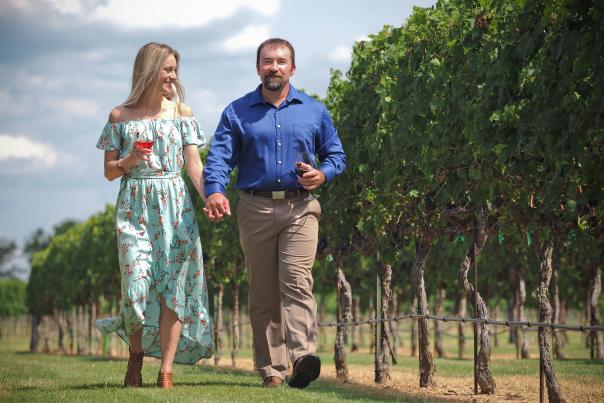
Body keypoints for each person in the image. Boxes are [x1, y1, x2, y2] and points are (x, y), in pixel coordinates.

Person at [203, 38, 346, 388]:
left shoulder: (314, 110)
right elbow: (219, 158)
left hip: (301, 206)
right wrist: (215, 190)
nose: (274, 67)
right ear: (258, 68)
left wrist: (322, 174)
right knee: (264, 291)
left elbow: (336, 155)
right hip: (255, 206)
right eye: (268, 61)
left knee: (297, 280)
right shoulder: (237, 112)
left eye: (281, 61)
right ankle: (272, 370)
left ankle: (303, 357)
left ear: (292, 68)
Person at [95, 42, 213, 389]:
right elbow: (109, 172)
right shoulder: (119, 116)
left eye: (175, 70)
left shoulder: (182, 114)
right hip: (135, 207)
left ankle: (166, 370)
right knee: (135, 287)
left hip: (176, 207)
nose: (173, 77)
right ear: (149, 70)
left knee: (173, 289)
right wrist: (127, 162)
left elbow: (194, 165)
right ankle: (135, 357)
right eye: (167, 70)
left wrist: (211, 197)